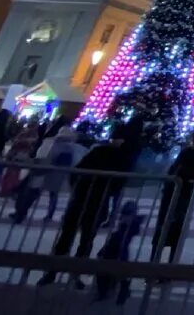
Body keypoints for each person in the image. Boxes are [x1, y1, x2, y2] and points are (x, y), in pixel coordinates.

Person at [37, 121, 136, 287]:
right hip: (96, 199)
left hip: (84, 197)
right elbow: (118, 182)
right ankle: (72, 273)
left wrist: (78, 187)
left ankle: (54, 271)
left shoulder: (100, 152)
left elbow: (79, 171)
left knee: (69, 236)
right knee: (85, 238)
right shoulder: (121, 157)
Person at [152, 128, 194, 263]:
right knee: (163, 225)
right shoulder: (187, 151)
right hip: (172, 189)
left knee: (176, 226)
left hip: (184, 191)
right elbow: (175, 167)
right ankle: (155, 260)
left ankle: (169, 262)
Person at [11, 126, 79, 224]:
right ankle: (48, 215)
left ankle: (20, 213)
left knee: (31, 194)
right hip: (56, 175)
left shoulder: (50, 142)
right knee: (51, 195)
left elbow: (41, 156)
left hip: (42, 171)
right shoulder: (71, 147)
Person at [96, 199, 144, 304]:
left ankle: (117, 289)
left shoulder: (127, 229)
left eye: (127, 215)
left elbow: (119, 242)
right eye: (124, 215)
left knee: (115, 272)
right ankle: (111, 289)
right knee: (110, 272)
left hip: (117, 253)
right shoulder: (123, 229)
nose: (123, 218)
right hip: (113, 253)